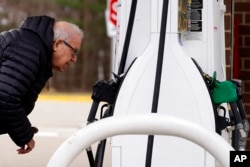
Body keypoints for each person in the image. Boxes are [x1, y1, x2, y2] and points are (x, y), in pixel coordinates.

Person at [0, 15, 83, 154]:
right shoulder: (28, 49)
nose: (74, 59)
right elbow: (6, 97)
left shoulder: (30, 45)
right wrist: (25, 134)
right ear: (57, 44)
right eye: (74, 51)